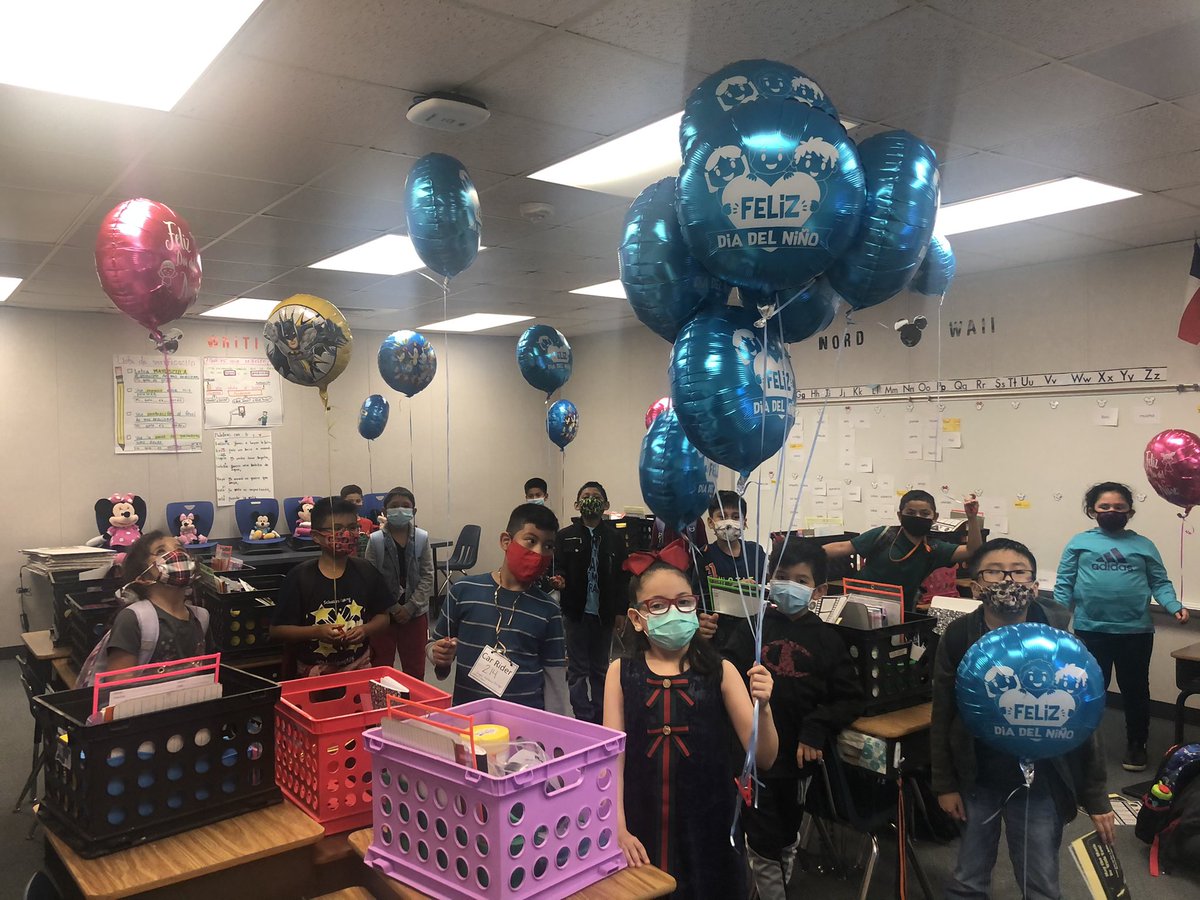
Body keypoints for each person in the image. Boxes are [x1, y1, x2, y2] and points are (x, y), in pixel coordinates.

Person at [933, 538, 1114, 900]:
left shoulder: (1059, 639)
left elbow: (1084, 721)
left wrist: (1096, 796)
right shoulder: (958, 636)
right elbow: (942, 712)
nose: (1007, 581)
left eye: (1019, 572)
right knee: (968, 877)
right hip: (978, 775)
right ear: (975, 584)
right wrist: (944, 784)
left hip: (1042, 779)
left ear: (1034, 585)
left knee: (1040, 880)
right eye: (994, 572)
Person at [604, 540, 778, 899]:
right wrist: (617, 827)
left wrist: (764, 707)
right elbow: (611, 760)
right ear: (636, 618)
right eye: (658, 605)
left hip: (710, 832)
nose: (674, 612)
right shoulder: (620, 672)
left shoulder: (722, 671)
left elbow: (763, 757)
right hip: (640, 827)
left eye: (683, 602)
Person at [724, 537, 863, 899]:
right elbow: (725, 674)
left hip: (796, 763)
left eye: (801, 580)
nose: (789, 586)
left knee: (785, 835)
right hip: (752, 756)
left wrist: (816, 727)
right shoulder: (753, 627)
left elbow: (850, 698)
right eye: (782, 576)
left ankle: (774, 887)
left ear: (819, 590)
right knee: (762, 840)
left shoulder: (828, 640)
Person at [1054, 481, 1189, 771]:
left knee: (1135, 691)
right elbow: (1064, 583)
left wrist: (1173, 605)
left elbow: (1159, 582)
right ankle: (1082, 744)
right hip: (1090, 630)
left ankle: (1137, 744)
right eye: (1104, 507)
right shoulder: (1079, 543)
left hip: (1134, 632)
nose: (1112, 511)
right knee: (1088, 690)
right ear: (1092, 511)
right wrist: (1056, 620)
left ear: (1130, 511)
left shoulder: (1143, 545)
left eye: (1119, 507)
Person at [429, 503, 566, 709]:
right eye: (531, 541)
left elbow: (555, 679)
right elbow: (435, 644)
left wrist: (554, 725)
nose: (539, 552)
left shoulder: (549, 610)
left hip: (525, 719)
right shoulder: (463, 591)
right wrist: (438, 654)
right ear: (506, 541)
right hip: (471, 715)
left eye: (548, 546)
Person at [270, 497, 392, 676]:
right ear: (316, 536)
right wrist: (316, 632)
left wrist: (365, 629)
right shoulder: (300, 577)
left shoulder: (366, 570)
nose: (346, 534)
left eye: (352, 527)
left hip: (359, 666)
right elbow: (277, 630)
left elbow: (384, 617)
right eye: (337, 528)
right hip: (313, 671)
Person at [824, 489, 982, 612]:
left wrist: (972, 518)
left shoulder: (934, 548)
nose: (918, 517)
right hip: (860, 603)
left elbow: (972, 550)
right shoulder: (883, 534)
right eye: (911, 513)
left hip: (900, 612)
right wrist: (811, 555)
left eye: (925, 513)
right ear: (900, 516)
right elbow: (842, 547)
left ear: (935, 517)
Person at [555, 481, 629, 723]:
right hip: (575, 612)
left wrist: (621, 610)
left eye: (596, 497)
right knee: (577, 669)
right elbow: (558, 568)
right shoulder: (564, 536)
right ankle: (582, 715)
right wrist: (559, 580)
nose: (591, 500)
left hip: (604, 613)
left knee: (600, 668)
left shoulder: (616, 539)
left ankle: (600, 714)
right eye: (586, 496)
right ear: (577, 504)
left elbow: (623, 578)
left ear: (606, 505)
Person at [104, 531, 212, 671]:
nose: (176, 555)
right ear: (143, 578)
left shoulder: (201, 618)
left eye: (180, 549)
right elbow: (118, 681)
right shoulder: (132, 619)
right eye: (161, 551)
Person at [365, 487, 434, 678]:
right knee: (380, 666)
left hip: (415, 613)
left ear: (414, 511)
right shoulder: (375, 540)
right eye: (394, 506)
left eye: (405, 506)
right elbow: (371, 578)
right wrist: (393, 607)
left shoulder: (422, 538)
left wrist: (410, 607)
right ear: (385, 511)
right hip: (383, 615)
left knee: (415, 666)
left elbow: (428, 575)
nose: (400, 509)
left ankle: (414, 698)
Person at [701, 490, 768, 650]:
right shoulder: (703, 555)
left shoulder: (755, 552)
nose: (729, 523)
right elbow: (700, 600)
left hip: (754, 634)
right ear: (711, 522)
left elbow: (766, 591)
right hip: (720, 637)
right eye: (722, 517)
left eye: (736, 517)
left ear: (744, 522)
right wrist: (734, 592)